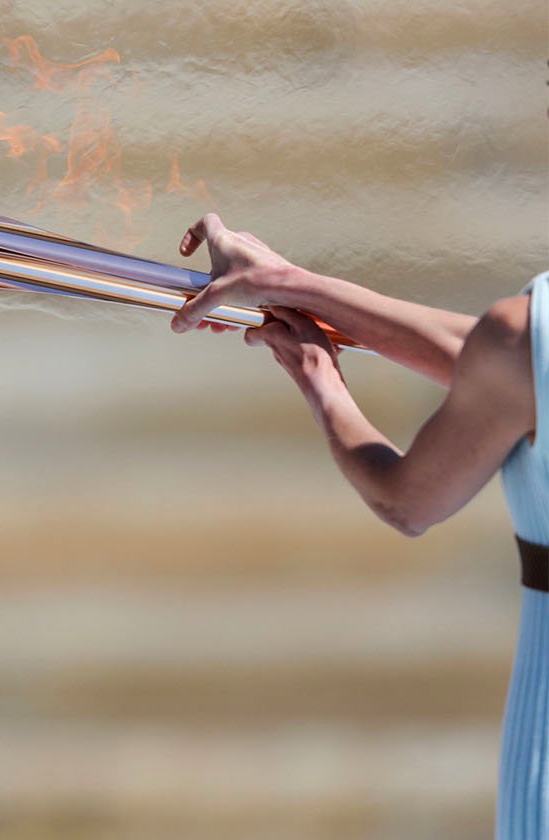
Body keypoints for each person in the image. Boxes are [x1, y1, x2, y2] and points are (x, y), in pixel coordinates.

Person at [169, 212, 546, 838]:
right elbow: (504, 367)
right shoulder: (521, 344)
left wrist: (319, 379)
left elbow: (407, 500)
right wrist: (289, 283)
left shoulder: (525, 339)